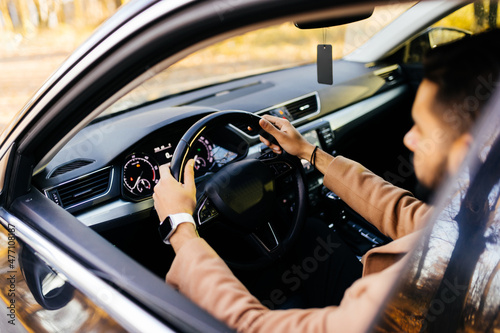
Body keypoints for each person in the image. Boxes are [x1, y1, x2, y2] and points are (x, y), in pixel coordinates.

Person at [152, 29, 500, 332]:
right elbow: (412, 216)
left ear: (469, 152)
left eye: (422, 129)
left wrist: (181, 226)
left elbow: (250, 327)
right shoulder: (486, 213)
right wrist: (310, 153)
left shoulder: (412, 291)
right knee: (314, 235)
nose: (409, 139)